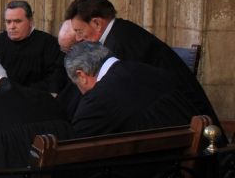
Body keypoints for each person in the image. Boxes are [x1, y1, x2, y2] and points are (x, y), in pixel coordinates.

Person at [64, 0, 221, 127]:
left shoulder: (120, 43)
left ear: (97, 23)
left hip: (189, 122)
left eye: (79, 31)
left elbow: (118, 100)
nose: (78, 38)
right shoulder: (121, 32)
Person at [65, 42, 200, 137]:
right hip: (187, 164)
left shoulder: (97, 99)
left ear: (81, 75)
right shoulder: (155, 71)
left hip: (147, 172)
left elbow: (76, 144)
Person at [0, 0, 65, 94]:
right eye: (8, 22)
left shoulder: (48, 43)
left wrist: (23, 91)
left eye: (17, 21)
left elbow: (55, 78)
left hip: (33, 98)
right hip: (0, 97)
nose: (12, 26)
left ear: (30, 21)